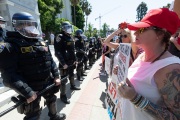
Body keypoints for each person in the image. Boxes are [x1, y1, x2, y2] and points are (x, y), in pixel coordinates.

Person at [116, 8, 180, 120]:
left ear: (160, 34)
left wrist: (136, 98)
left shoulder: (171, 68)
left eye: (141, 30)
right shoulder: (142, 56)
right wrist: (122, 74)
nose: (135, 32)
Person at [0, 12, 66, 120]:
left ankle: (54, 116)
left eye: (31, 24)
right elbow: (8, 75)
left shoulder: (40, 42)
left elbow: (51, 62)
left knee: (52, 100)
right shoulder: (10, 46)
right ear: (17, 26)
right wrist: (27, 92)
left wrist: (56, 76)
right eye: (26, 24)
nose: (29, 27)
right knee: (33, 113)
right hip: (30, 87)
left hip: (47, 82)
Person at [54, 21, 80, 104]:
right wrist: (63, 63)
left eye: (70, 27)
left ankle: (72, 86)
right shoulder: (60, 37)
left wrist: (75, 59)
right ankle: (63, 95)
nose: (69, 29)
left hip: (71, 61)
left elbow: (72, 50)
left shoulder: (70, 37)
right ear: (63, 28)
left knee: (72, 74)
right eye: (67, 27)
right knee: (64, 80)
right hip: (64, 63)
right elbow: (57, 52)